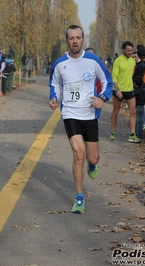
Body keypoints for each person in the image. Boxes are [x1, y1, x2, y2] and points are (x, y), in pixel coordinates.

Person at [49, 25, 113, 214]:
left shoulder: (93, 61)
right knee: (79, 154)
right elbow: (54, 84)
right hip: (70, 114)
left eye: (78, 37)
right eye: (71, 38)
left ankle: (92, 164)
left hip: (90, 114)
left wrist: (102, 98)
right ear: (67, 40)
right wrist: (53, 97)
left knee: (92, 157)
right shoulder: (60, 64)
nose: (75, 41)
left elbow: (107, 81)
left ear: (83, 40)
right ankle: (79, 198)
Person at [109, 41, 139, 142]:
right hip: (119, 90)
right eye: (128, 50)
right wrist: (117, 90)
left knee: (133, 111)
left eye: (131, 50)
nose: (130, 52)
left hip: (129, 89)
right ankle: (113, 132)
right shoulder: (118, 61)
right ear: (123, 50)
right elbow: (114, 76)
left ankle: (132, 134)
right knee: (116, 111)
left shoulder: (133, 60)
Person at [133, 75, 145, 140]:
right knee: (141, 119)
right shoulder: (144, 90)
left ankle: (136, 133)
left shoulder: (135, 91)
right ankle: (141, 133)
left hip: (137, 105)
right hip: (142, 105)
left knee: (137, 119)